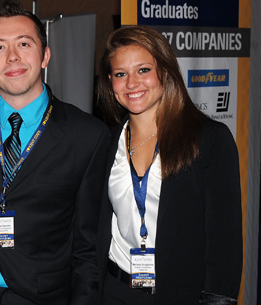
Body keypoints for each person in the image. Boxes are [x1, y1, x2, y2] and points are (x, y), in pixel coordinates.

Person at [0, 1, 109, 304]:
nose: (12, 57)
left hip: (42, 295)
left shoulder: (87, 135)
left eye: (24, 43)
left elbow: (88, 245)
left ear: (45, 55)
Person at [95, 25, 242, 304]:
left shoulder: (209, 139)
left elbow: (225, 239)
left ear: (164, 71)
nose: (131, 83)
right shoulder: (105, 143)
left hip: (179, 294)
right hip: (113, 289)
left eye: (143, 70)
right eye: (120, 74)